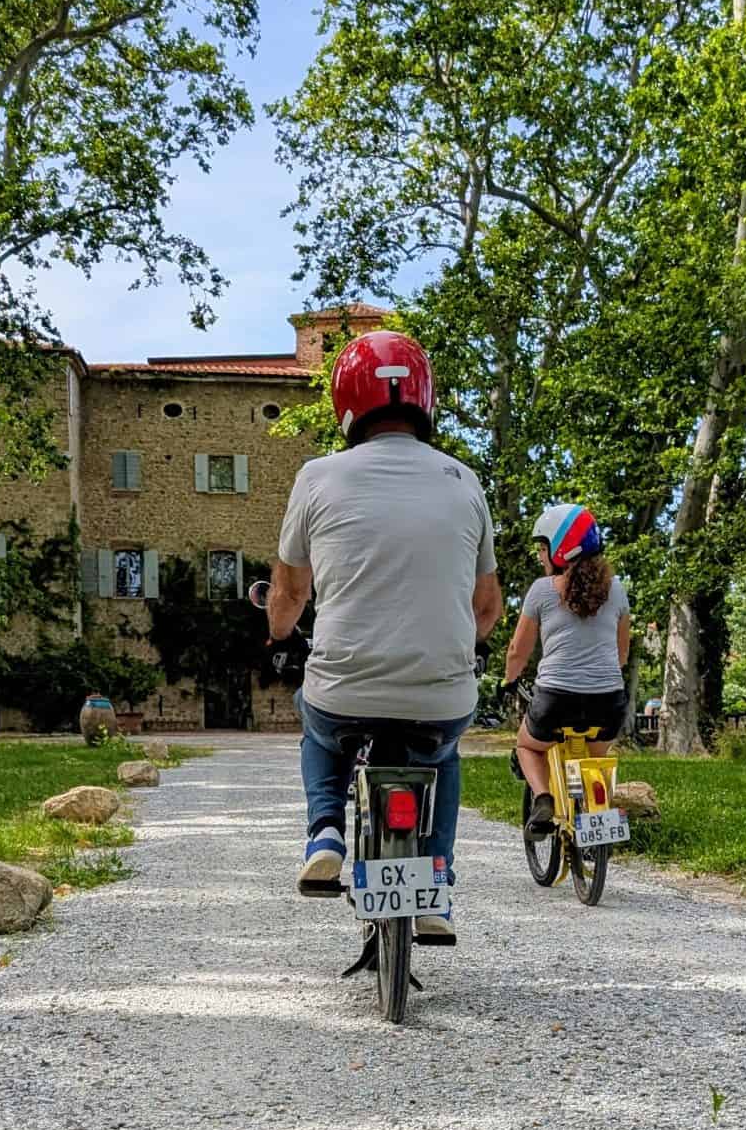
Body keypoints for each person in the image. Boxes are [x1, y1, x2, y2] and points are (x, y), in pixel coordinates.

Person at [262, 329, 500, 945]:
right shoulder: (463, 480)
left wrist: (278, 638)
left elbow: (288, 594)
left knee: (316, 723)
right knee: (442, 756)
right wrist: (458, 642)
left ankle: (325, 833)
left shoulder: (316, 477)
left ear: (346, 403)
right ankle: (435, 888)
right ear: (424, 400)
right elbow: (488, 604)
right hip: (439, 693)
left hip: (345, 687)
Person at [502, 503, 630, 825]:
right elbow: (622, 654)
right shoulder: (617, 590)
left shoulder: (542, 591)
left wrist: (509, 681)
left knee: (527, 746)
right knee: (597, 760)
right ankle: (599, 816)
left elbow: (518, 650)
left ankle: (543, 798)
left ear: (562, 549)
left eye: (543, 548)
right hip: (608, 700)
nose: (540, 556)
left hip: (556, 699)